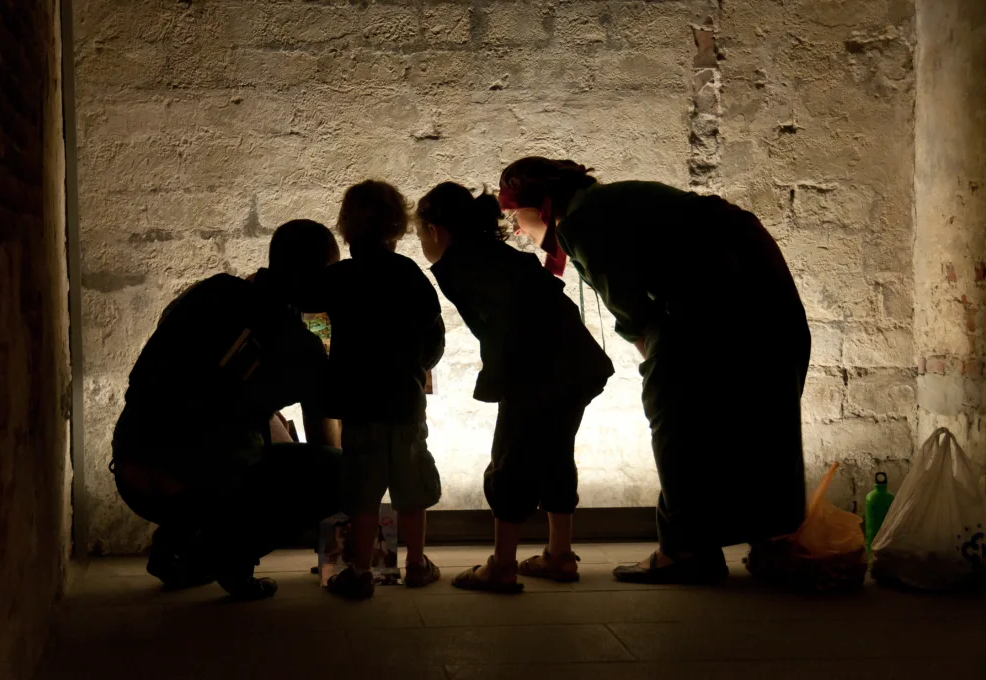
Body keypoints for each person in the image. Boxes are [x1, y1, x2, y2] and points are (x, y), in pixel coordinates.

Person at [497, 157, 812, 584]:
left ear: (542, 206)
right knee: (755, 415)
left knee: (677, 418)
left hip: (718, 300)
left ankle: (686, 551)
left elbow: (632, 309)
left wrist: (655, 359)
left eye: (517, 214)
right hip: (759, 294)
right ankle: (769, 540)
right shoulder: (607, 204)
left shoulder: (582, 221)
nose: (517, 227)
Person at [110, 219, 343, 600]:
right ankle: (226, 558)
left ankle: (176, 544)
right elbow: (326, 441)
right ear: (316, 278)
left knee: (226, 437)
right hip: (200, 484)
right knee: (339, 473)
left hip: (133, 471)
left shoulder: (211, 291)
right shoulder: (301, 347)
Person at [416, 182, 614, 593]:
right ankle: (560, 555)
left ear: (435, 230)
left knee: (511, 460)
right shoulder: (490, 256)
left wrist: (502, 379)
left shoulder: (464, 264)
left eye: (419, 233)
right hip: (577, 363)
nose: (421, 242)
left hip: (538, 368)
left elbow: (508, 323)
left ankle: (502, 565)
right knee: (557, 455)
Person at [322, 180, 446, 599]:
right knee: (412, 486)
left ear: (347, 227)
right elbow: (434, 335)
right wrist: (418, 368)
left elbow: (315, 325)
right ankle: (416, 564)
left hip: (358, 402)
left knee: (363, 488)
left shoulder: (338, 278)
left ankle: (359, 570)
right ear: (397, 226)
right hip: (404, 400)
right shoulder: (408, 274)